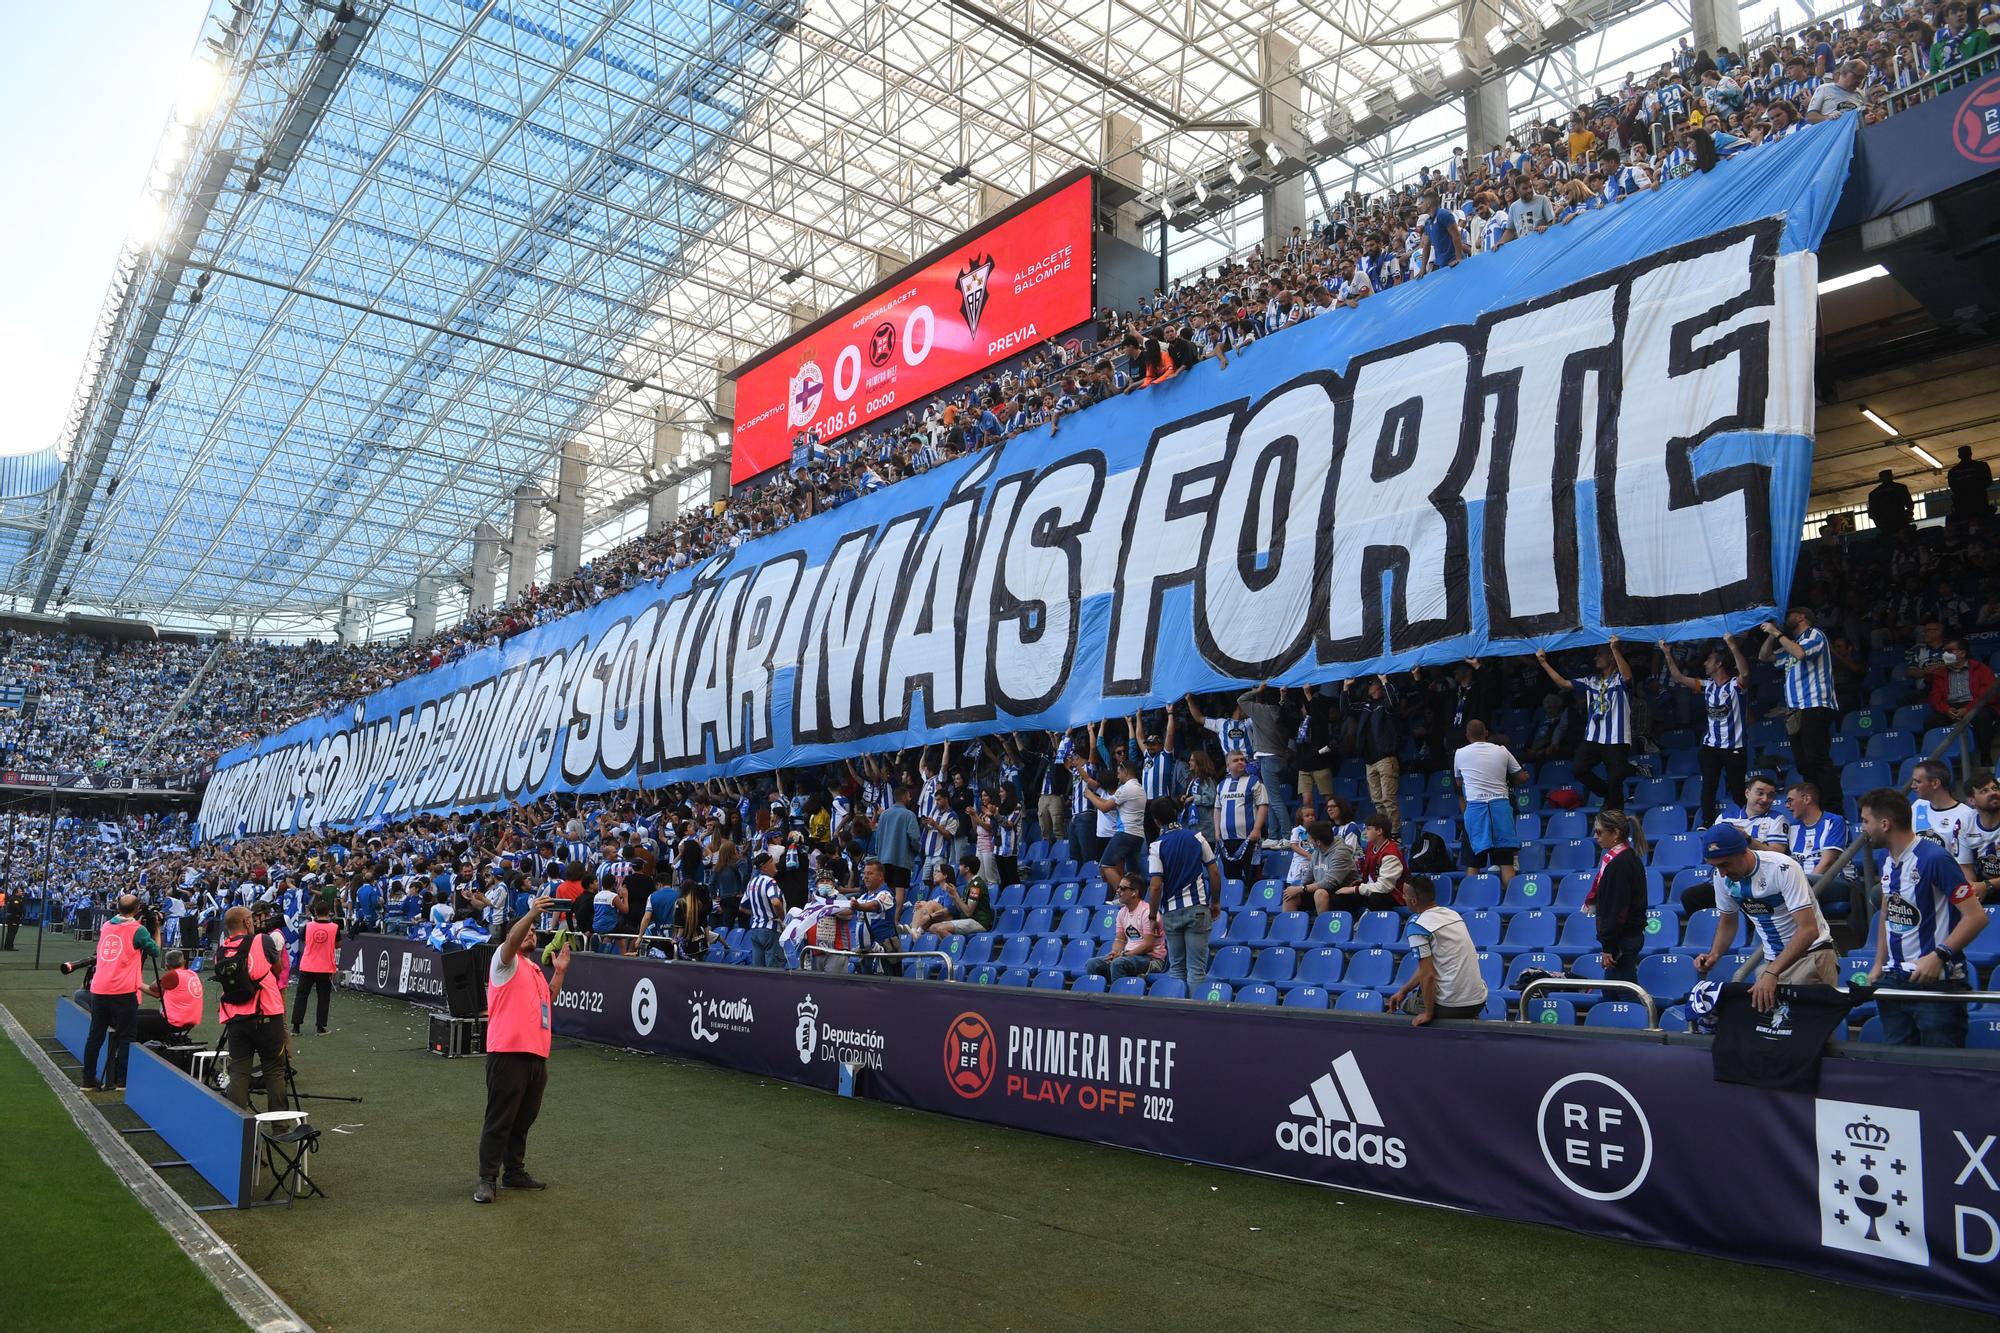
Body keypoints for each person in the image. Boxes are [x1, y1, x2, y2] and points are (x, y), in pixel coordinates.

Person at [1862, 787, 1987, 1046]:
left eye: (1865, 821)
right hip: (1894, 980)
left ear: (1885, 824)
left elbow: (1976, 917)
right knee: (1899, 1071)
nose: (1862, 828)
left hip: (1934, 981)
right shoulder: (1887, 857)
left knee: (1941, 1072)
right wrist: (1878, 964)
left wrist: (1939, 955)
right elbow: (1888, 912)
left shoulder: (1935, 858)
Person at [475, 894, 571, 1203]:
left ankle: (513, 1173)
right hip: (508, 1053)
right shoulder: (505, 961)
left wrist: (559, 971)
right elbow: (515, 937)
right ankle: (487, 1179)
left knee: (523, 1120)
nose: (531, 933)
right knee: (500, 1119)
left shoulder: (533, 970)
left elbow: (548, 1001)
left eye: (533, 931)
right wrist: (530, 915)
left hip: (535, 1057)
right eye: (525, 930)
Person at [1694, 824, 1837, 1012]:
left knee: (1808, 1037)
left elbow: (1809, 930)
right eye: (1715, 867)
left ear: (1743, 851)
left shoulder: (1782, 867)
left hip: (1810, 955)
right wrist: (1714, 955)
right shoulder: (1721, 877)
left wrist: (1771, 972)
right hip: (1773, 961)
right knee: (1771, 1036)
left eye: (1725, 864)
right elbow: (1728, 921)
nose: (1721, 873)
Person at [1660, 634, 1751, 826]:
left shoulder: (1735, 685)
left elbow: (1746, 674)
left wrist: (1732, 647)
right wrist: (1667, 654)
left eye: (1709, 660)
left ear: (1718, 664)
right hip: (1710, 747)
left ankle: (1748, 822)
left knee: (1737, 788)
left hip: (1734, 747)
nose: (1704, 664)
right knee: (1709, 786)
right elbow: (1678, 677)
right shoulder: (1706, 686)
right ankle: (1706, 823)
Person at [1760, 607, 1842, 813]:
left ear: (1801, 616)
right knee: (1804, 764)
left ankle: (1834, 809)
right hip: (1796, 711)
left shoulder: (1814, 634)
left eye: (1789, 614)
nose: (1785, 618)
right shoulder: (1790, 644)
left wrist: (1777, 633)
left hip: (1814, 705)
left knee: (1818, 759)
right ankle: (1816, 806)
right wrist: (1772, 634)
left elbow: (1801, 653)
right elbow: (1764, 657)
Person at [1535, 638, 1633, 810]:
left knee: (1615, 780)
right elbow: (1562, 683)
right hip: (1593, 737)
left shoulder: (1619, 679)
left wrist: (1615, 649)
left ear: (1610, 657)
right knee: (1578, 769)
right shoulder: (1591, 680)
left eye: (1600, 655)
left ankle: (1615, 815)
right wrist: (1544, 663)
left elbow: (1628, 676)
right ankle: (1606, 793)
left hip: (1617, 738)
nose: (1595, 658)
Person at [81, 893, 162, 1092]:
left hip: (100, 987)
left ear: (118, 907)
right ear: (136, 909)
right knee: (126, 1035)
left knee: (95, 1035)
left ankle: (88, 1079)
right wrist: (157, 929)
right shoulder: (137, 929)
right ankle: (122, 1080)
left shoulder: (107, 925)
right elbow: (155, 951)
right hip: (123, 990)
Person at [1386, 875, 1487, 1025]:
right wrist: (1403, 990)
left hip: (1452, 1007)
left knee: (1406, 1004)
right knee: (1412, 994)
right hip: (1478, 1002)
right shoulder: (1453, 915)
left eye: (1404, 895)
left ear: (1413, 901)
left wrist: (1428, 1013)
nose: (1402, 897)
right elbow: (1427, 968)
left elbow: (1428, 975)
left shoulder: (1417, 926)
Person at [216, 905, 287, 1114]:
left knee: (238, 1071)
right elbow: (278, 969)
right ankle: (280, 1126)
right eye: (252, 920)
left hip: (234, 1016)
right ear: (247, 922)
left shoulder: (221, 950)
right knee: (274, 1070)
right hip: (266, 1014)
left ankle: (235, 1125)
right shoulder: (262, 940)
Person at [1146, 797, 1221, 988]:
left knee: (1177, 969)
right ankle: (1198, 1016)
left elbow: (1155, 885)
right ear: (1177, 814)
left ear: (1156, 820)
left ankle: (1177, 1013)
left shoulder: (1156, 845)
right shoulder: (1197, 837)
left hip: (1171, 912)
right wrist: (1216, 902)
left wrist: (1153, 915)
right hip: (1197, 909)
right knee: (1196, 969)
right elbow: (1213, 871)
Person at [1453, 719, 1527, 885]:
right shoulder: (1502, 751)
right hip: (1500, 808)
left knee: (1473, 865)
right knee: (1506, 864)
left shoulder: (1460, 753)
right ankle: (1512, 901)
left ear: (1467, 735)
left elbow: (1459, 783)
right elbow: (1521, 775)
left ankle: (1471, 900)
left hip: (1475, 810)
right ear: (1486, 733)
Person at [1588, 811, 1648, 983]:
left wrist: (1608, 945)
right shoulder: (1626, 858)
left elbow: (1615, 908)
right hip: (1625, 937)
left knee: (1624, 994)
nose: (1595, 836)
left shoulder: (1619, 864)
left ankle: (1644, 1011)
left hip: (1622, 939)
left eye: (1599, 832)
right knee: (1613, 994)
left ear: (1615, 833)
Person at [1925, 638, 1996, 763]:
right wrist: (1946, 709)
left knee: (1983, 716)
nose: (1945, 654)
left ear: (1962, 653)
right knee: (1931, 721)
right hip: (1950, 706)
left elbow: (1988, 695)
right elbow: (1935, 697)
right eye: (1944, 651)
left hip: (1976, 704)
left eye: (1949, 651)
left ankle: (1985, 755)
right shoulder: (1940, 673)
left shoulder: (1981, 669)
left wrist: (1968, 709)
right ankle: (1939, 760)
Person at [1086, 879, 1165, 983]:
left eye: (1122, 888)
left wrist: (1124, 955)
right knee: (1092, 964)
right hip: (1129, 957)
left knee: (1118, 963)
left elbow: (1148, 945)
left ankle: (1118, 995)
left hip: (1151, 959)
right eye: (1118, 887)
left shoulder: (1147, 912)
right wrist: (1115, 952)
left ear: (1134, 892)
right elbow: (1119, 939)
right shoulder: (1122, 913)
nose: (1118, 891)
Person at [1328, 813, 1405, 917]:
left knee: (1375, 898)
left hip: (1393, 895)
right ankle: (1346, 926)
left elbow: (1384, 887)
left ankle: (1370, 926)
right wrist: (1362, 881)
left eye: (1368, 829)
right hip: (1372, 889)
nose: (1364, 832)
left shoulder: (1391, 854)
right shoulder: (1371, 846)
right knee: (1339, 896)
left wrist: (1355, 889)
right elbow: (1372, 875)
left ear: (1379, 831)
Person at [1211, 750, 1268, 884]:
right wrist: (1217, 832)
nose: (1241, 762)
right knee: (1231, 878)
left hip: (1249, 838)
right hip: (1226, 840)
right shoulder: (1221, 785)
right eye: (1236, 760)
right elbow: (1217, 809)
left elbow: (1263, 806)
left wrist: (1257, 829)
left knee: (1252, 877)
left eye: (1242, 759)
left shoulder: (1254, 782)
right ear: (1228, 765)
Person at [1910, 757, 1976, 862]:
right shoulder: (1918, 806)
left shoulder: (1966, 815)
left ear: (1935, 783)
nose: (1912, 786)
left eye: (1918, 782)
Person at [291, 900, 340, 1036]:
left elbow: (305, 941)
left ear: (316, 913)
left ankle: (296, 1027)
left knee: (301, 996)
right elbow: (338, 945)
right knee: (323, 997)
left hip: (307, 965)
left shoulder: (308, 926)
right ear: (328, 912)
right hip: (324, 967)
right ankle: (320, 1027)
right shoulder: (334, 927)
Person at [743, 850, 785, 968]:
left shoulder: (751, 883)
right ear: (765, 867)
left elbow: (742, 906)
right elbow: (776, 903)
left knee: (759, 971)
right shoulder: (770, 882)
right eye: (772, 862)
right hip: (770, 929)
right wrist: (783, 919)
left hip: (755, 930)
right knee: (773, 972)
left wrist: (758, 914)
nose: (775, 864)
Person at [1946, 445, 1992, 524]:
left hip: (1963, 508)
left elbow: (1953, 488)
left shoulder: (1953, 472)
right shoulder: (1982, 466)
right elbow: (1988, 482)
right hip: (1980, 504)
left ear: (1959, 456)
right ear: (1971, 454)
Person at [1866, 468, 1913, 537]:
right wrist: (1908, 515)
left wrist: (1880, 525)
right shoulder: (1900, 488)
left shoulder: (1874, 494)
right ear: (1892, 476)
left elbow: (1872, 513)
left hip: (1886, 525)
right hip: (1901, 522)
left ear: (1880, 479)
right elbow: (1909, 504)